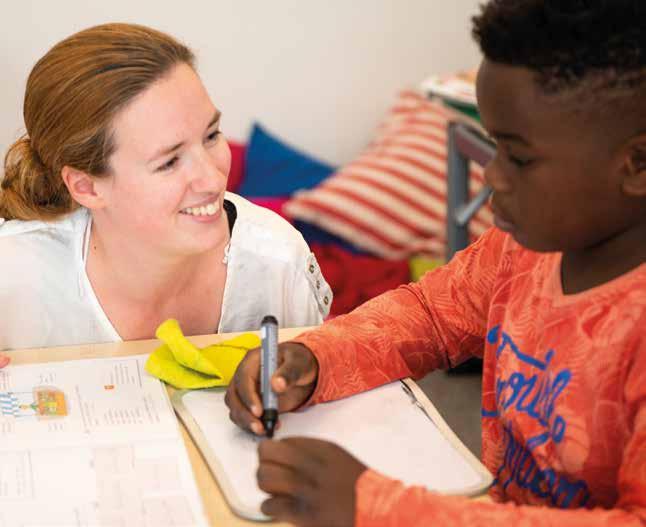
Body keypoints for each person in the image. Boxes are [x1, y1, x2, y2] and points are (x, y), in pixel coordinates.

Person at [225, 1, 646, 525]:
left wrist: (379, 508)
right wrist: (314, 358)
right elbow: (428, 315)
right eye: (494, 148)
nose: (491, 176)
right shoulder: (525, 248)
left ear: (637, 164)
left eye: (518, 156)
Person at [0, 23, 331, 353]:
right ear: (86, 187)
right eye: (169, 162)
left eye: (212, 136)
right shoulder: (14, 275)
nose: (214, 180)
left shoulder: (279, 262)